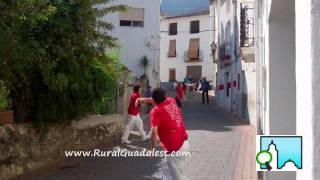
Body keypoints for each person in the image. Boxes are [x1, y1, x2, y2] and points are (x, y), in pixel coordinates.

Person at [136, 87, 189, 180]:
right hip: (183, 142)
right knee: (167, 173)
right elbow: (157, 100)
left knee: (179, 177)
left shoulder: (156, 111)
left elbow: (153, 132)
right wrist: (143, 99)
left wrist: (152, 150)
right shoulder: (171, 101)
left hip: (175, 150)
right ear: (164, 96)